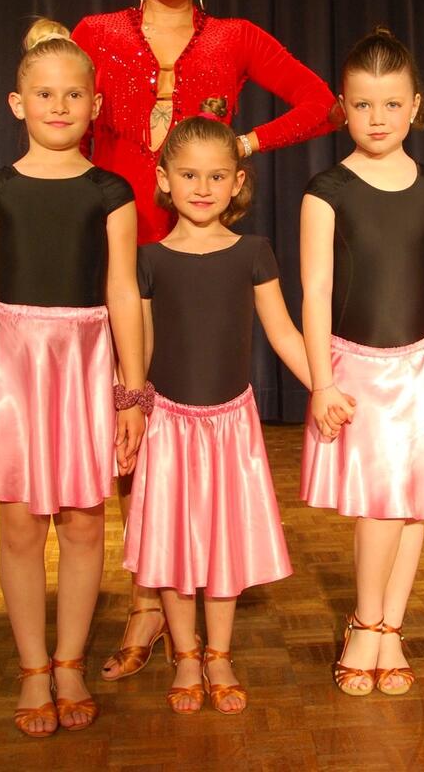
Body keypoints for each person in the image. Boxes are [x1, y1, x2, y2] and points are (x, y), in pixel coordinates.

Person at [72, 0, 340, 678]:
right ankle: (145, 600)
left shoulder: (234, 38)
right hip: (122, 254)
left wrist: (240, 145)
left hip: (201, 256)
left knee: (182, 424)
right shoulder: (94, 34)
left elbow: (321, 104)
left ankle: (185, 605)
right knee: (132, 427)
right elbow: (65, 123)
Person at [0, 20, 146, 738]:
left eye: (73, 95)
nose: (58, 106)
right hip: (11, 364)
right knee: (21, 522)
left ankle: (69, 662)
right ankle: (33, 665)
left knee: (86, 520)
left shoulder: (111, 191)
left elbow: (122, 292)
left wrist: (131, 392)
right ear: (16, 103)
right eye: (43, 94)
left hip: (85, 363)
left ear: (96, 105)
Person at [300, 27, 424, 697]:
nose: (377, 118)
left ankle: (389, 629)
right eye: (362, 104)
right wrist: (320, 381)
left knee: (411, 507)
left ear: (415, 106)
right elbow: (315, 291)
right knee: (378, 506)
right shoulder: (326, 189)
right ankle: (364, 622)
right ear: (342, 107)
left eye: (391, 104)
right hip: (358, 371)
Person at [123, 101, 310, 714]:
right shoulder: (148, 260)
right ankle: (185, 653)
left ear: (237, 181)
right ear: (164, 179)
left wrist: (324, 386)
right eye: (189, 174)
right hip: (169, 426)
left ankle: (220, 654)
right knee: (173, 542)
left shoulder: (252, 252)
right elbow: (139, 347)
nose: (202, 187)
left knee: (224, 540)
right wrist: (128, 408)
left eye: (216, 175)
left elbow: (283, 332)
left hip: (231, 426)